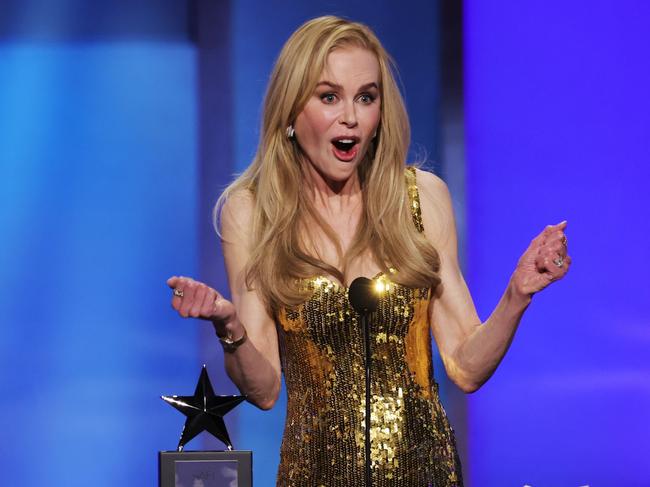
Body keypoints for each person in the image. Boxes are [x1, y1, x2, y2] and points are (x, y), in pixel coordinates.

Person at [166, 15, 570, 486]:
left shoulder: (422, 198)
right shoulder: (251, 211)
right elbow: (265, 389)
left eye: (366, 97)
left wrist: (517, 294)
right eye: (329, 97)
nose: (351, 118)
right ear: (292, 111)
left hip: (425, 473)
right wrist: (230, 326)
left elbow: (465, 366)